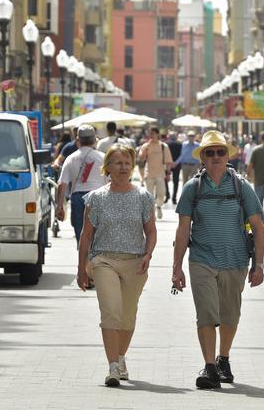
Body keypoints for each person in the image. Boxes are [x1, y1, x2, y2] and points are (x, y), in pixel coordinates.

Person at [171, 130, 264, 390]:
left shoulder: (241, 186)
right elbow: (182, 229)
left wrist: (259, 265)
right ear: (202, 157)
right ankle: (210, 366)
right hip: (201, 258)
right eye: (209, 152)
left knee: (229, 315)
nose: (215, 157)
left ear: (227, 155)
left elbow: (257, 226)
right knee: (205, 314)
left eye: (220, 152)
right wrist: (176, 266)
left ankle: (224, 359)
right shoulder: (193, 187)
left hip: (235, 260)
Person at [76, 144, 156, 387]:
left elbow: (151, 232)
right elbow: (86, 236)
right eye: (118, 163)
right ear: (107, 167)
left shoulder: (143, 196)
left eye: (127, 163)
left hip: (135, 263)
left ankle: (121, 358)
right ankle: (112, 367)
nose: (123, 168)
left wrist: (148, 254)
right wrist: (82, 267)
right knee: (111, 311)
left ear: (132, 167)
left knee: (127, 316)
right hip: (104, 261)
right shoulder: (96, 198)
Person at [56, 125, 107, 244]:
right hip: (98, 197)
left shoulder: (70, 158)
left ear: (78, 140)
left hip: (78, 198)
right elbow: (111, 181)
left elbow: (62, 184)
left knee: (81, 237)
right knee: (99, 237)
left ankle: (84, 260)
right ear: (95, 140)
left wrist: (60, 207)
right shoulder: (102, 157)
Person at [138, 126, 173, 220]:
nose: (151, 135)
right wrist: (145, 149)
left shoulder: (163, 146)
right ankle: (151, 213)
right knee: (149, 195)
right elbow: (141, 159)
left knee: (161, 193)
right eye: (150, 133)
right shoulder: (146, 146)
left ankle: (159, 206)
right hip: (149, 173)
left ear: (157, 134)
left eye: (153, 133)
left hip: (160, 174)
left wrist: (169, 173)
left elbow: (168, 161)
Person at [165, 131, 182, 204]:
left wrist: (168, 163)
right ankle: (174, 198)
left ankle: (167, 195)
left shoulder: (166, 144)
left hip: (167, 164)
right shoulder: (180, 144)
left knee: (165, 180)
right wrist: (176, 162)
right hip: (176, 164)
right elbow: (182, 154)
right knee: (176, 182)